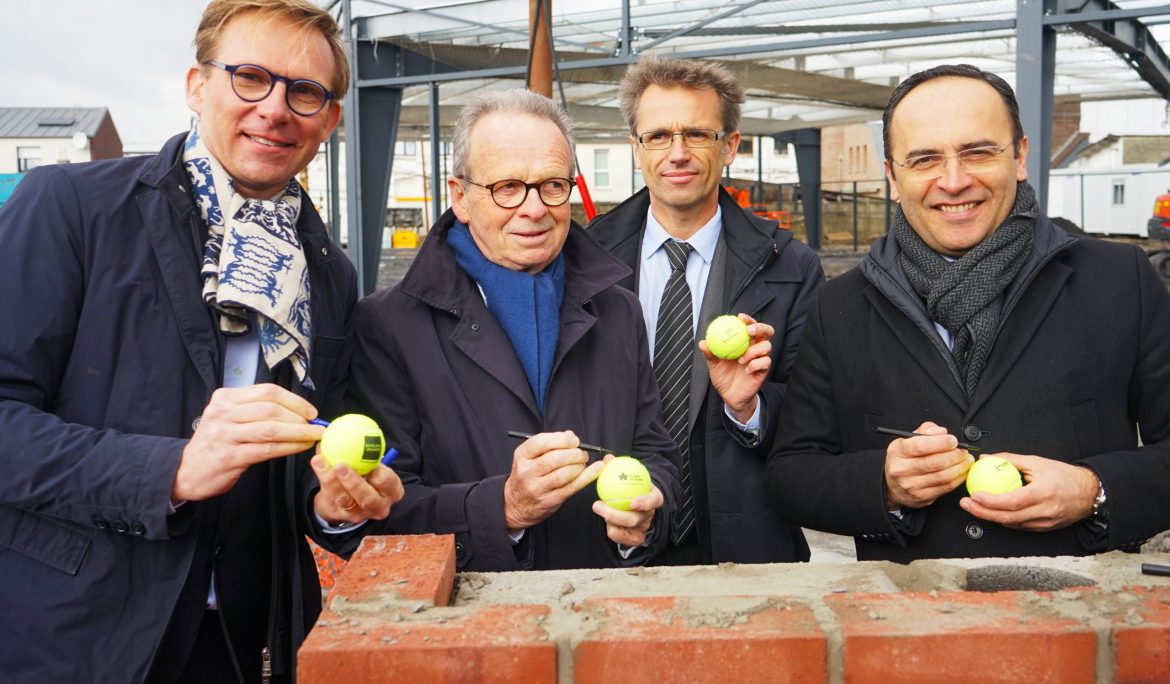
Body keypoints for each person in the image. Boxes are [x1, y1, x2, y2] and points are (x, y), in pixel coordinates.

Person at [0, 1, 402, 681]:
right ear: (197, 86)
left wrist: (329, 501)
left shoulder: (327, 271)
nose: (275, 108)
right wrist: (170, 472)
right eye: (250, 77)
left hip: (244, 642)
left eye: (304, 91)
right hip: (76, 635)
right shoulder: (70, 207)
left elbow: (295, 453)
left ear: (330, 121)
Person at [766, 64, 1170, 562]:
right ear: (892, 176)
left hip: (1081, 616)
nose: (953, 181)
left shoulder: (1119, 281)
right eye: (924, 159)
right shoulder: (840, 305)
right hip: (904, 622)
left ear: (1020, 156)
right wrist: (882, 484)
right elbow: (792, 474)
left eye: (978, 152)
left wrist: (1095, 490)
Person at [347, 89, 683, 571]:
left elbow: (656, 453)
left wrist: (648, 515)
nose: (534, 208)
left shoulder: (618, 312)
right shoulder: (390, 325)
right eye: (507, 186)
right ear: (460, 196)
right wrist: (502, 509)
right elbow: (379, 509)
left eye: (552, 185)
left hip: (599, 612)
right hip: (469, 623)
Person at [589, 56, 824, 564]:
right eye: (658, 136)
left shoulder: (793, 266)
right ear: (636, 148)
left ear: (731, 147)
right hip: (612, 541)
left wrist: (747, 409)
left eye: (697, 134)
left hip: (747, 552)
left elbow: (816, 415)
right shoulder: (583, 261)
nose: (677, 153)